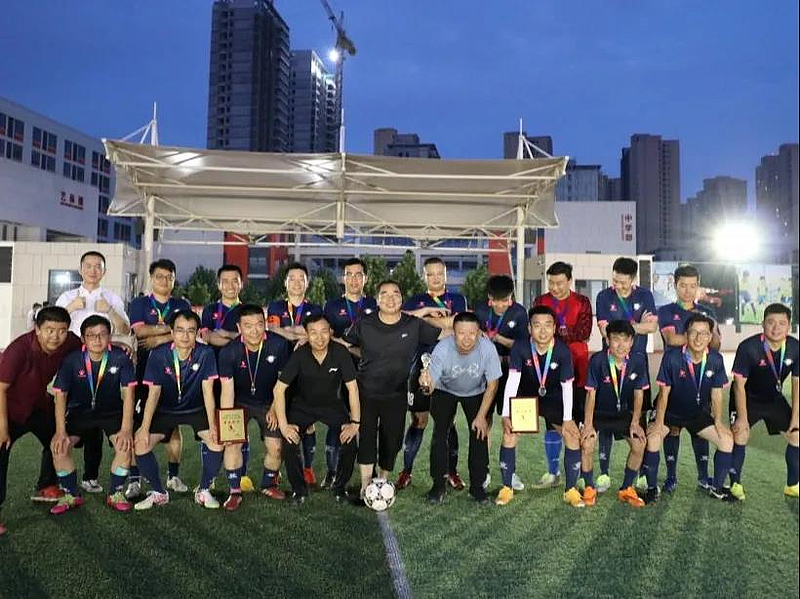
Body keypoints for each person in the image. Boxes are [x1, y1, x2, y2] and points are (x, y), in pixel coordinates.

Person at [341, 280, 444, 503]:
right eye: (384, 294)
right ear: (377, 300)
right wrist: (367, 355)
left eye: (395, 294)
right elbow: (347, 343)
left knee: (393, 440)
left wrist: (471, 331)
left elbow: (442, 333)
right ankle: (366, 486)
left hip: (396, 392)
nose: (390, 298)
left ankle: (382, 480)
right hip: (366, 391)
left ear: (401, 299)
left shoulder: (413, 324)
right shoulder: (365, 323)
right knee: (367, 437)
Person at [0, 307, 80, 535]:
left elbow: (91, 342)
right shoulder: (18, 350)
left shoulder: (69, 342)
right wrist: (3, 428)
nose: (55, 336)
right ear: (37, 329)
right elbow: (1, 389)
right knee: (1, 451)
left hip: (37, 406)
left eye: (61, 330)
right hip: (9, 409)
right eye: (49, 330)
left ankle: (46, 485)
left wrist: (118, 345)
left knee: (57, 438)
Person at [56, 250, 131, 495]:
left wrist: (109, 310)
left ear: (104, 271)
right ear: (80, 269)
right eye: (88, 266)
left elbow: (125, 329)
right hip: (73, 364)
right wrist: (70, 308)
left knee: (98, 420)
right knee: (65, 420)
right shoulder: (68, 297)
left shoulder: (111, 297)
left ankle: (91, 477)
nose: (92, 270)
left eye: (98, 266)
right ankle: (53, 482)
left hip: (104, 362)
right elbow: (53, 325)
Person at [132, 309, 222, 510]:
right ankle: (159, 492)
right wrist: (144, 428)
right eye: (180, 330)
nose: (185, 336)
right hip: (165, 409)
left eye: (191, 330)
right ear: (172, 332)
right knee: (140, 443)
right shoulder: (158, 354)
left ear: (197, 332)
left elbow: (208, 391)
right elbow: (153, 393)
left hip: (195, 408)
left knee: (217, 441)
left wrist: (213, 426)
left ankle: (203, 490)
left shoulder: (205, 353)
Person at [642, 313, 735, 503]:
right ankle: (652, 489)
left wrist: (718, 422)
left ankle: (717, 488)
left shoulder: (716, 359)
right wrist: (658, 422)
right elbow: (664, 394)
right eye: (694, 332)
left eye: (704, 333)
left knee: (726, 440)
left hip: (697, 414)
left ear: (710, 337)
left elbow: (717, 394)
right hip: (670, 412)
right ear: (686, 334)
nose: (699, 338)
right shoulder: (672, 357)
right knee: (653, 439)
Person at [49, 315, 136, 515]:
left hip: (110, 412)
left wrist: (126, 429)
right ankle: (71, 494)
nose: (97, 339)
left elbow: (129, 395)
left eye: (102, 334)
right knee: (60, 448)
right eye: (91, 335)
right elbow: (60, 396)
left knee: (125, 446)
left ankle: (115, 493)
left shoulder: (121, 358)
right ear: (83, 339)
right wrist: (60, 431)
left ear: (110, 336)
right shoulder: (71, 360)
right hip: (79, 413)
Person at [496, 306, 582, 506]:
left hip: (554, 398)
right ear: (529, 328)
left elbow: (567, 386)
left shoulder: (562, 351)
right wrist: (506, 414)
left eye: (547, 325)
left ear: (554, 328)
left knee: (571, 435)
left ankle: (570, 490)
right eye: (537, 325)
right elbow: (512, 381)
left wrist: (567, 419)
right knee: (509, 434)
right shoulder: (520, 347)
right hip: (527, 397)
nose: (542, 331)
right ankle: (507, 488)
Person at [273, 315, 360, 506]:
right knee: (288, 442)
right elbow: (278, 390)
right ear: (306, 334)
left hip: (333, 406)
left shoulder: (340, 352)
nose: (319, 338)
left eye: (324, 332)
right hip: (303, 406)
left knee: (350, 441)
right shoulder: (300, 354)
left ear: (331, 332)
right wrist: (284, 426)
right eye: (313, 333)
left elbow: (352, 388)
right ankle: (299, 491)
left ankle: (339, 488)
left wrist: (355, 423)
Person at [397, 257, 466, 492]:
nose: (435, 278)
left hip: (449, 366)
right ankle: (406, 471)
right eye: (431, 274)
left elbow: (458, 325)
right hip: (420, 366)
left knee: (449, 421)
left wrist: (425, 321)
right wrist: (430, 316)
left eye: (439, 273)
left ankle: (452, 472)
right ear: (424, 276)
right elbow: (403, 320)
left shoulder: (458, 299)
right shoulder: (416, 300)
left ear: (445, 275)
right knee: (418, 420)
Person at [127, 259, 192, 499]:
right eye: (160, 276)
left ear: (174, 280)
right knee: (138, 425)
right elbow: (140, 331)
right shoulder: (139, 303)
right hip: (144, 374)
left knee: (173, 426)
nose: (165, 281)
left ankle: (173, 477)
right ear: (151, 278)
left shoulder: (181, 304)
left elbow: (188, 333)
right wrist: (172, 330)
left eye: (169, 277)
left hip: (174, 374)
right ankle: (134, 480)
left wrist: (161, 338)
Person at [422, 312, 502, 505]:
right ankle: (438, 486)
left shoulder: (488, 349)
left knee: (479, 434)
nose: (467, 339)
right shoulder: (442, 348)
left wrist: (481, 417)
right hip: (445, 390)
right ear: (453, 332)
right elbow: (430, 386)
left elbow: (492, 385)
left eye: (472, 333)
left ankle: (477, 488)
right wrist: (425, 383)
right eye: (461, 333)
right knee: (440, 433)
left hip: (476, 391)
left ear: (479, 333)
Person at [217, 304, 291, 509]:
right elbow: (227, 390)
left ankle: (269, 484)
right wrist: (227, 421)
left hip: (270, 400)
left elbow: (282, 383)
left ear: (265, 324)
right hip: (239, 402)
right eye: (248, 326)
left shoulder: (279, 345)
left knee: (276, 447)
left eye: (259, 324)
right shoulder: (229, 352)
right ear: (239, 328)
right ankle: (234, 491)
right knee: (232, 444)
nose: (254, 331)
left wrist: (275, 408)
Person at [594, 257, 657, 492]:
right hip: (610, 363)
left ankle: (641, 473)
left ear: (633, 279)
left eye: (622, 282)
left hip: (637, 363)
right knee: (605, 418)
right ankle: (603, 473)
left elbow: (652, 327)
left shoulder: (645, 295)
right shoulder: (604, 296)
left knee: (639, 416)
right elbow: (605, 331)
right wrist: (636, 326)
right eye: (615, 280)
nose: (618, 285)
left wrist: (622, 328)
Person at [657, 264, 720, 492]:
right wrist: (701, 336)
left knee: (699, 427)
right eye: (683, 285)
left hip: (700, 381)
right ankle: (671, 477)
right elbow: (672, 340)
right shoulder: (666, 311)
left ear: (698, 286)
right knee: (672, 428)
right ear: (675, 286)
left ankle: (703, 477)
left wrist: (710, 333)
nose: (688, 290)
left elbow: (716, 344)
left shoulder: (707, 312)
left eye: (692, 286)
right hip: (674, 378)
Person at [532, 261, 592, 490]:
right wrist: (562, 334)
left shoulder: (582, 302)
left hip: (578, 370)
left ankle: (580, 475)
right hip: (549, 370)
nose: (555, 288)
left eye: (559, 283)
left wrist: (556, 335)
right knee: (552, 421)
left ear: (569, 281)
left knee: (577, 422)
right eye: (551, 283)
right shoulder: (541, 301)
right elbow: (537, 332)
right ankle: (552, 472)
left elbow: (584, 332)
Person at [729, 303, 799, 499]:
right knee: (740, 434)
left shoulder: (795, 348)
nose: (776, 328)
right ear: (763, 324)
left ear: (789, 325)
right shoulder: (749, 347)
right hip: (747, 398)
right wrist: (742, 418)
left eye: (782, 323)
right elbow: (739, 385)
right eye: (771, 322)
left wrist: (796, 418)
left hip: (773, 399)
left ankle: (792, 485)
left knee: (796, 435)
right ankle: (735, 484)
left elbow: (797, 385)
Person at [266, 262, 323, 486]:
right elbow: (272, 331)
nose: (297, 283)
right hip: (278, 368)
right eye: (292, 279)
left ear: (307, 283)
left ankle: (307, 468)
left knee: (308, 422)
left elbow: (313, 335)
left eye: (301, 279)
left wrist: (291, 332)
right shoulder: (275, 306)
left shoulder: (315, 310)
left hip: (306, 370)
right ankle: (276, 468)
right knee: (278, 419)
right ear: (285, 283)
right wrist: (300, 333)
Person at [322, 257, 377, 487]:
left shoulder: (375, 304)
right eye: (349, 274)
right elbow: (325, 336)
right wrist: (347, 346)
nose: (354, 279)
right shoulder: (332, 306)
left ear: (366, 278)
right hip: (339, 372)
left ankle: (370, 471)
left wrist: (349, 346)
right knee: (337, 421)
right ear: (343, 278)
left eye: (358, 274)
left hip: (370, 372)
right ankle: (332, 471)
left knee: (369, 422)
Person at [581, 320, 648, 508]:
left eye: (625, 340)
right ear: (607, 340)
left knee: (639, 443)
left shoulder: (637, 361)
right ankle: (589, 487)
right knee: (587, 443)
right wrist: (588, 424)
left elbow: (639, 394)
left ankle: (626, 488)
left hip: (622, 414)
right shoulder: (597, 360)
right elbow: (591, 395)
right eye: (616, 339)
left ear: (632, 342)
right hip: (598, 413)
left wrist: (635, 422)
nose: (621, 345)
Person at [199, 264, 254, 491]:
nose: (230, 285)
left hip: (239, 373)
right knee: (211, 427)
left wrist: (224, 334)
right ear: (218, 284)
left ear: (241, 284)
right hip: (212, 373)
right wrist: (235, 337)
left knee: (239, 427)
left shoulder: (247, 310)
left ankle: (241, 476)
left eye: (235, 281)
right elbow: (207, 337)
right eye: (225, 281)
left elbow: (251, 339)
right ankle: (210, 478)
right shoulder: (209, 309)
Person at [472, 274, 529, 489]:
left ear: (511, 297)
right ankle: (484, 471)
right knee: (484, 421)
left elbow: (522, 346)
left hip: (512, 371)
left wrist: (496, 338)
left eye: (505, 300)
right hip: (485, 372)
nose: (501, 305)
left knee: (513, 423)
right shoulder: (479, 311)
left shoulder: (520, 313)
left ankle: (510, 472)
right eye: (496, 301)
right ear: (489, 298)